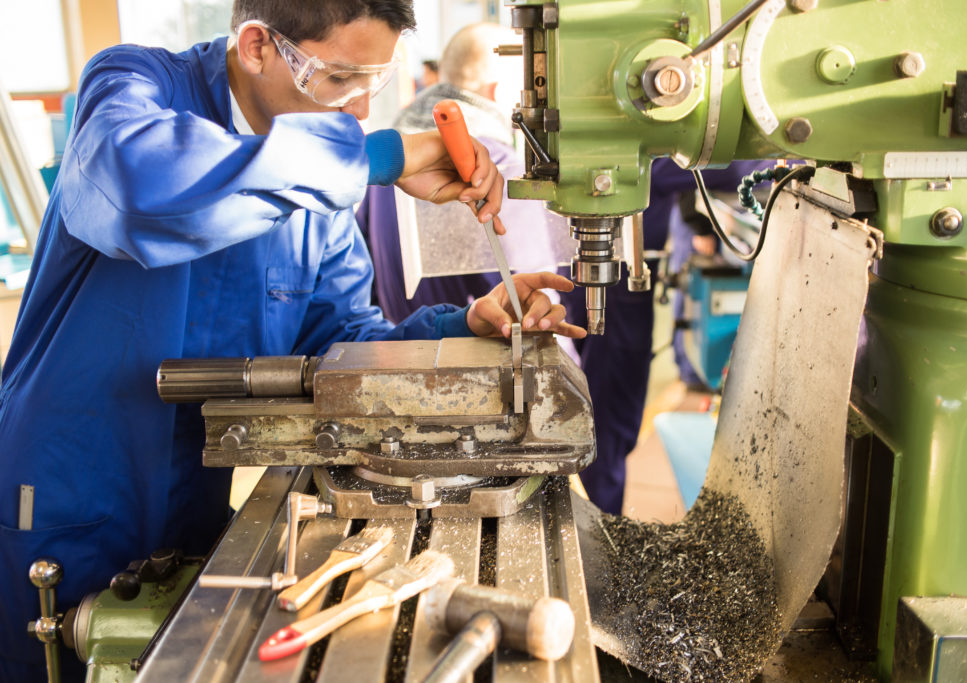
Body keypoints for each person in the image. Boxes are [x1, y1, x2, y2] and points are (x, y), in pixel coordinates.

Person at [0, 1, 583, 679]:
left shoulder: (323, 194)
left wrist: (463, 325)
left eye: (374, 86)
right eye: (340, 80)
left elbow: (343, 341)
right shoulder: (133, 87)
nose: (359, 112)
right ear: (255, 45)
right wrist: (380, 157)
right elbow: (138, 192)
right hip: (67, 499)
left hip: (194, 504)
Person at [567, 158, 762, 514]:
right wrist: (783, 155)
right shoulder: (638, 147)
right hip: (617, 281)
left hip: (612, 274)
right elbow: (718, 166)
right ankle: (602, 525)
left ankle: (600, 516)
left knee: (605, 410)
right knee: (610, 413)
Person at [357, 23, 571, 329]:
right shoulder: (495, 165)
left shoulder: (391, 166)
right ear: (500, 91)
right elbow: (535, 306)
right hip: (484, 362)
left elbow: (369, 289)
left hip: (400, 352)